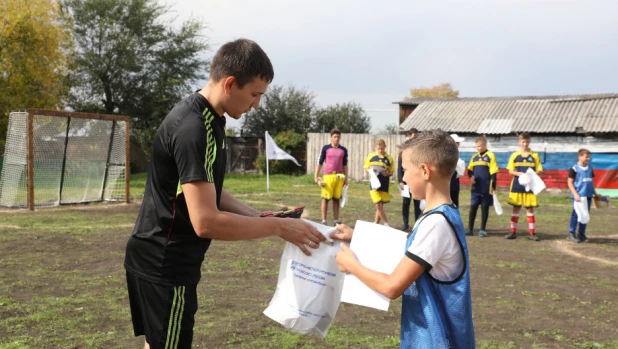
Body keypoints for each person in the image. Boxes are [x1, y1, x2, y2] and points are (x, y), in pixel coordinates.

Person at [123, 39, 325, 349]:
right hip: (166, 265)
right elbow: (206, 222)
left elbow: (208, 189)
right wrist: (280, 227)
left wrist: (258, 216)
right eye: (255, 94)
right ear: (230, 84)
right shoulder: (194, 127)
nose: (256, 104)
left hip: (155, 256)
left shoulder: (210, 118)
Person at [332, 129, 475, 348]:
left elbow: (392, 287)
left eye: (406, 170)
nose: (404, 177)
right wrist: (358, 237)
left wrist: (351, 265)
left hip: (437, 341)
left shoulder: (436, 224)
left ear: (425, 170)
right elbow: (411, 249)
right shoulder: (442, 214)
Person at [505, 132, 542, 241]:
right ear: (519, 142)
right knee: (516, 208)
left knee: (529, 208)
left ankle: (532, 233)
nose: (525, 144)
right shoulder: (514, 155)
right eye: (523, 142)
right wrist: (520, 174)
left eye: (527, 142)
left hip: (530, 186)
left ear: (529, 142)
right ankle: (513, 232)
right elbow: (510, 170)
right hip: (517, 185)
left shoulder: (535, 155)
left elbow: (539, 170)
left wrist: (531, 175)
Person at [314, 128, 349, 226]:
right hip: (328, 176)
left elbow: (345, 165)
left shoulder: (343, 150)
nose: (336, 139)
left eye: (338, 137)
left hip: (339, 177)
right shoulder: (326, 148)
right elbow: (319, 162)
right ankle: (324, 220)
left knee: (336, 199)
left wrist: (346, 178)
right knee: (325, 198)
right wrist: (316, 176)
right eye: (335, 137)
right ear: (331, 137)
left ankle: (336, 220)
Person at [466, 136, 499, 237]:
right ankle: (470, 229)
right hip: (476, 188)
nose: (477, 148)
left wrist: (493, 185)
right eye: (476, 147)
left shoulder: (490, 156)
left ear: (484, 145)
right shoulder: (474, 157)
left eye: (479, 146)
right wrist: (471, 177)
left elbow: (493, 172)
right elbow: (470, 170)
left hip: (486, 188)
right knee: (473, 208)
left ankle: (482, 230)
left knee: (484, 208)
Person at [567, 148, 601, 243]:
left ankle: (581, 233)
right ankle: (571, 233)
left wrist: (595, 193)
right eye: (586, 156)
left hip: (588, 195)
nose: (588, 158)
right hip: (578, 196)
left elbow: (590, 181)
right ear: (580, 156)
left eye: (589, 156)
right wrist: (575, 194)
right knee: (576, 214)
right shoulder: (574, 169)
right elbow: (569, 182)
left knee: (585, 214)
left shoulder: (589, 167)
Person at [364, 138, 395, 226]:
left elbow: (391, 172)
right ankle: (386, 224)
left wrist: (387, 174)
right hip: (374, 184)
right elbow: (366, 167)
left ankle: (376, 224)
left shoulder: (389, 159)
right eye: (378, 149)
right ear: (376, 148)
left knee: (380, 205)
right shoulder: (371, 156)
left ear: (385, 147)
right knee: (377, 205)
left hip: (384, 184)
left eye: (382, 148)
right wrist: (370, 171)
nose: (380, 150)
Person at [398, 129, 421, 232]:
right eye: (413, 136)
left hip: (416, 180)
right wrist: (400, 180)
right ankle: (405, 223)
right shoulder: (404, 148)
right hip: (406, 180)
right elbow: (399, 165)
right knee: (406, 203)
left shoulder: (419, 149)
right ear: (409, 136)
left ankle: (417, 223)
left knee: (417, 202)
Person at [450, 133, 466, 209]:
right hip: (448, 184)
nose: (458, 144)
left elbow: (460, 171)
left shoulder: (456, 154)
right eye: (457, 143)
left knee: (455, 205)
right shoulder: (447, 154)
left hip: (455, 184)